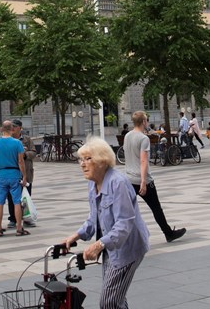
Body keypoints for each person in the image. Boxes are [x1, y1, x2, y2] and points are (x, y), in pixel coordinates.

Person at [61, 137, 149, 308]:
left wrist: (99, 245)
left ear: (102, 161)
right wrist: (76, 235)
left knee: (108, 302)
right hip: (110, 247)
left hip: (127, 249)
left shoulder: (118, 183)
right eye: (81, 159)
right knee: (116, 298)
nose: (82, 164)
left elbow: (124, 223)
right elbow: (94, 218)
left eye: (88, 159)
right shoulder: (93, 184)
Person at [124, 111, 186, 243]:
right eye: (146, 120)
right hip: (143, 180)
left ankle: (122, 237)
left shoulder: (127, 136)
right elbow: (143, 161)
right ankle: (168, 233)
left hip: (128, 179)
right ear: (143, 122)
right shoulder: (143, 139)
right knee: (156, 208)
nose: (147, 122)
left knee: (126, 210)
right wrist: (143, 182)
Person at [0, 121, 28, 236]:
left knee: (0, 202)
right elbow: (20, 161)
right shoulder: (17, 143)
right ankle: (18, 228)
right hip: (14, 173)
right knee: (16, 201)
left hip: (2, 174)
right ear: (12, 129)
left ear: (2, 129)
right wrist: (24, 176)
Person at [14, 119, 36, 228]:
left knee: (26, 196)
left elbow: (34, 152)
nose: (12, 129)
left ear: (19, 128)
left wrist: (25, 154)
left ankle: (27, 218)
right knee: (13, 197)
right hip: (14, 172)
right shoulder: (10, 140)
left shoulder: (27, 139)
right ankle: (13, 219)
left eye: (15, 126)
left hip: (27, 172)